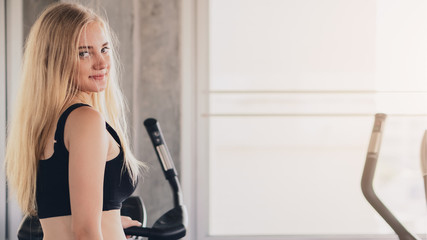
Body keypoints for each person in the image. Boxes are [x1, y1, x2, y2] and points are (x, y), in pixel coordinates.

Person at [5, 3, 145, 239]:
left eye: (104, 49)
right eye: (84, 53)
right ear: (54, 58)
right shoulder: (85, 119)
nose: (101, 63)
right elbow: (85, 232)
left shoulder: (46, 122)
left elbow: (63, 211)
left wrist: (110, 222)